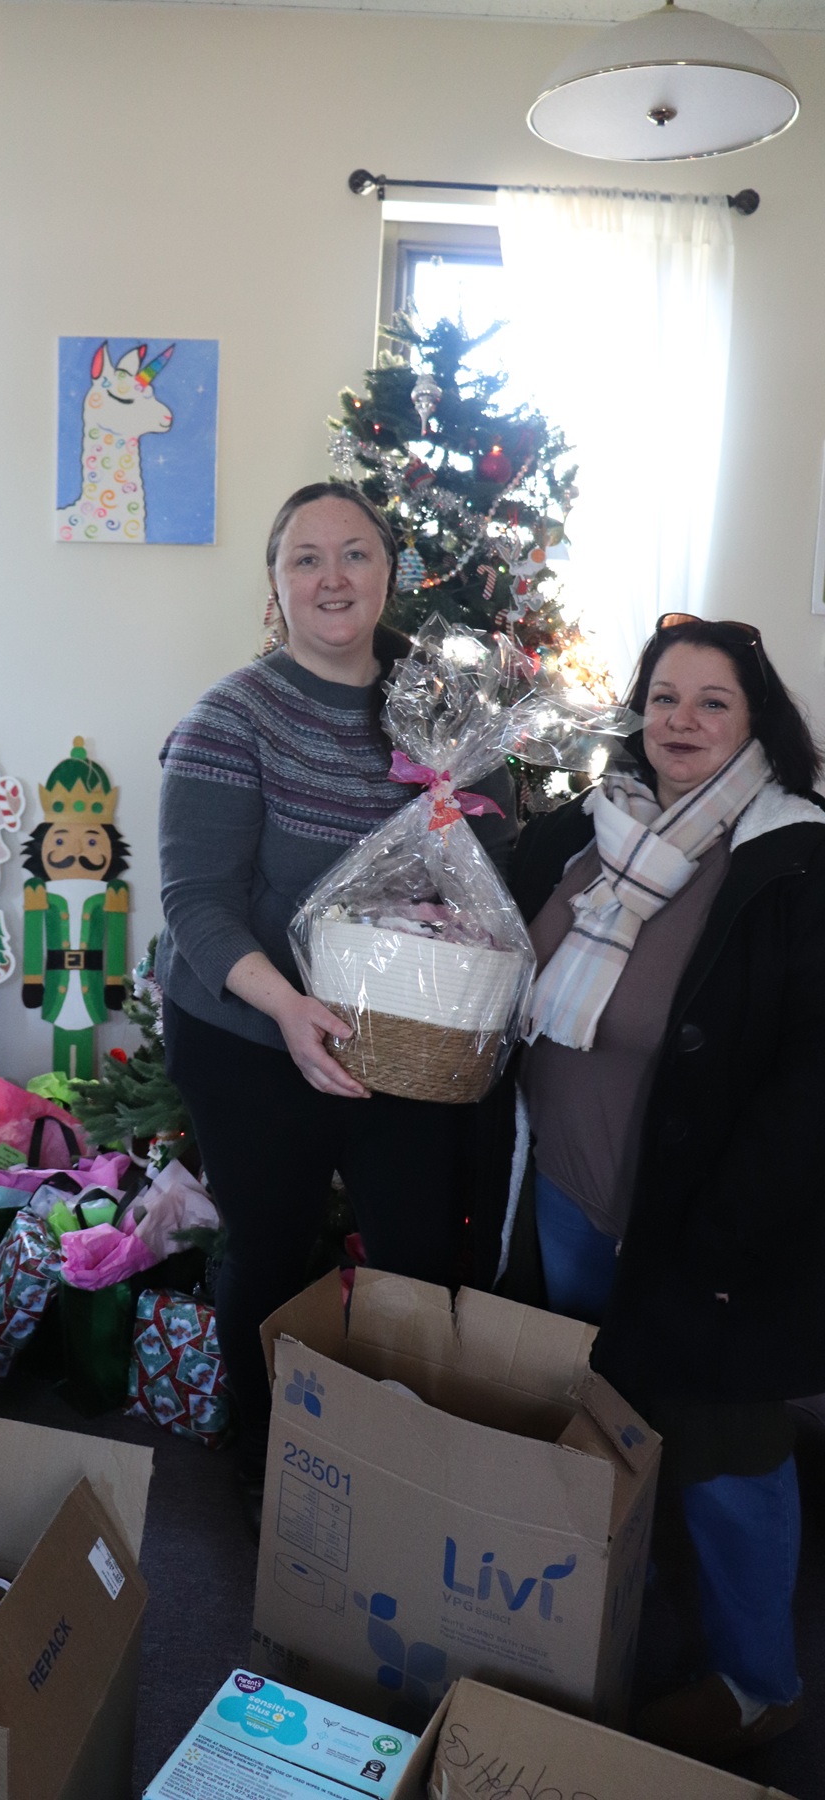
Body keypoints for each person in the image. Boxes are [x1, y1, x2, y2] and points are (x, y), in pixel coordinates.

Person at [155, 481, 517, 1518]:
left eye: (353, 554)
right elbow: (196, 903)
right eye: (305, 558)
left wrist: (467, 837)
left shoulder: (433, 714)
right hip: (248, 1032)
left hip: (399, 1038)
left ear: (389, 573)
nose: (331, 577)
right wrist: (286, 1011)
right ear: (275, 586)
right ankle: (267, 1465)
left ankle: (395, 1462)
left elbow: (479, 869)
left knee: (412, 1248)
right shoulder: (232, 718)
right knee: (269, 1248)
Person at [506, 613, 825, 1760]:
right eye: (663, 698)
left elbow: (808, 1085)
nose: (680, 722)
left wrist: (728, 1247)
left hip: (709, 1230)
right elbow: (493, 931)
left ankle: (761, 1682)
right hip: (566, 1193)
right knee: (598, 1420)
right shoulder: (592, 834)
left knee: (728, 1452)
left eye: (712, 702)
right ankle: (594, 1624)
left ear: (758, 723)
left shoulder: (794, 858)